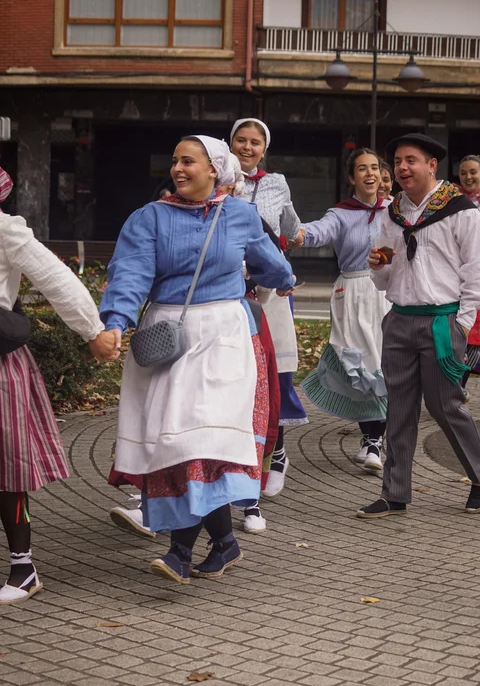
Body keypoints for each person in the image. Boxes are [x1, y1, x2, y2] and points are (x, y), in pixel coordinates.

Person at [99, 135, 294, 584]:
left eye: (188, 161)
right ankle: (223, 542)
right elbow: (130, 273)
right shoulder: (150, 217)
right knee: (176, 446)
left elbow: (269, 261)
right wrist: (115, 322)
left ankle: (179, 552)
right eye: (175, 161)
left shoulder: (240, 214)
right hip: (167, 339)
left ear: (215, 170)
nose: (178, 168)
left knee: (201, 442)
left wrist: (284, 277)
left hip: (224, 336)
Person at [357, 133, 480, 519]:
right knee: (399, 407)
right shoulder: (392, 213)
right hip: (399, 319)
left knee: (446, 406)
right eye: (397, 161)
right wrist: (377, 266)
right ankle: (394, 493)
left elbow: (475, 271)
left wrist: (462, 324)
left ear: (431, 165)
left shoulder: (461, 210)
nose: (402, 168)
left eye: (410, 160)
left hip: (443, 321)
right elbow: (385, 276)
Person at [0, 206, 115, 604]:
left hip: (0, 363)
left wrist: (93, 331)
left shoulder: (4, 229)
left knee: (7, 469)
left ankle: (23, 569)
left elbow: (55, 277)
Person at [292, 149, 389, 472]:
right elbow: (315, 232)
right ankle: (371, 439)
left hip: (387, 293)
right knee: (359, 365)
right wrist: (292, 230)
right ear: (351, 177)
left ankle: (373, 441)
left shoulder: (396, 211)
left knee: (385, 363)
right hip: (352, 294)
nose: (370, 173)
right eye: (362, 169)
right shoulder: (341, 213)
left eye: (374, 167)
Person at [230, 118, 307, 523]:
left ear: (264, 148)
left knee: (275, 377)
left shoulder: (276, 183)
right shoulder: (219, 178)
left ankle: (276, 452)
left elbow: (290, 224)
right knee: (240, 378)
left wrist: (295, 237)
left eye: (255, 142)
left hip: (271, 290)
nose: (247, 147)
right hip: (231, 289)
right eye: (240, 140)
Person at [457, 155, 480, 393]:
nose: (468, 177)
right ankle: (457, 388)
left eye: (473, 172)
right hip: (460, 279)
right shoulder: (454, 202)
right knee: (461, 338)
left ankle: (458, 388)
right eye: (463, 173)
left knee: (475, 346)